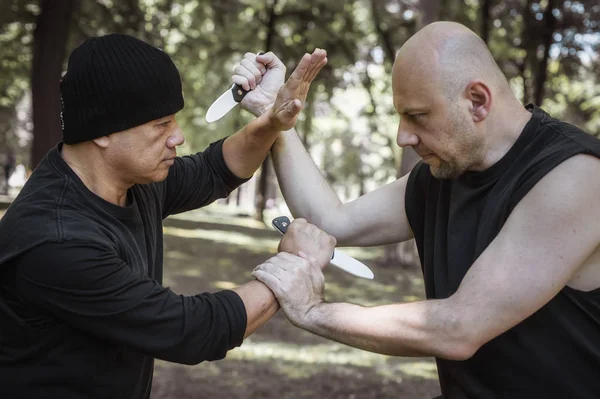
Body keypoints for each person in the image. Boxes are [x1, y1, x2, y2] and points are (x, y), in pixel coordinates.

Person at [235, 22, 600, 398]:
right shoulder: (443, 173)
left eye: (418, 116)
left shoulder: (573, 175)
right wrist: (273, 116)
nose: (402, 137)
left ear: (477, 101)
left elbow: (460, 327)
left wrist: (312, 310)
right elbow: (330, 221)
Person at [0, 33, 336, 399]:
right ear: (102, 131)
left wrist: (272, 118)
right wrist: (292, 267)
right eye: (161, 124)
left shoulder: (129, 181)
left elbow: (214, 169)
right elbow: (188, 331)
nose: (177, 137)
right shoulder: (58, 238)